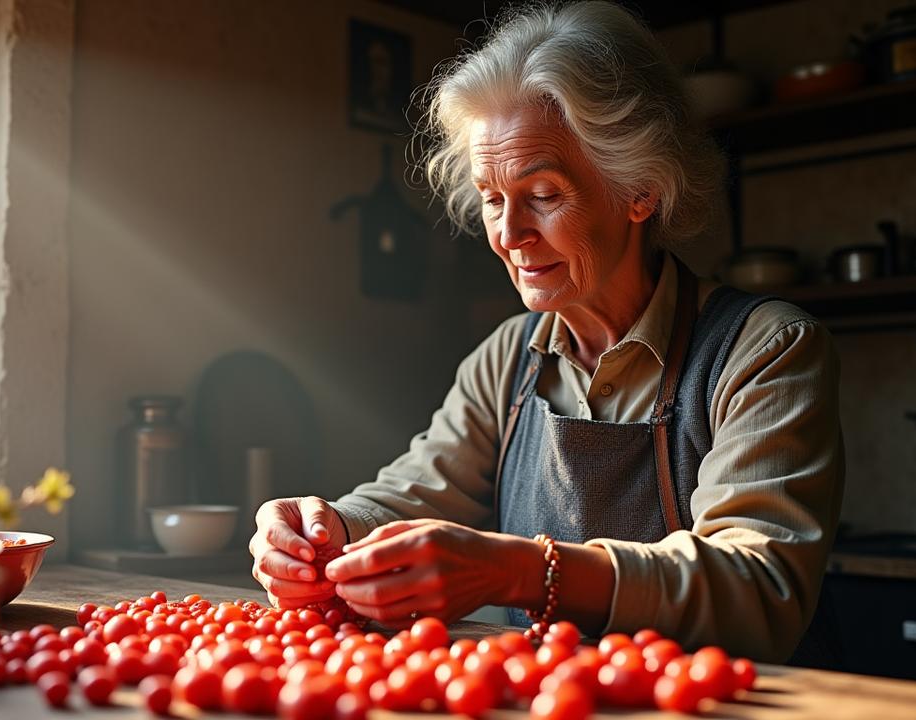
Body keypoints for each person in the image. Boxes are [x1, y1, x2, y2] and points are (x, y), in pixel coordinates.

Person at [248, 0, 843, 663]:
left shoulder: (764, 351)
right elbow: (417, 490)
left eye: (544, 194)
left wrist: (523, 571)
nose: (507, 236)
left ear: (639, 189)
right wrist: (327, 529)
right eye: (494, 198)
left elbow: (758, 590)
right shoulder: (508, 358)